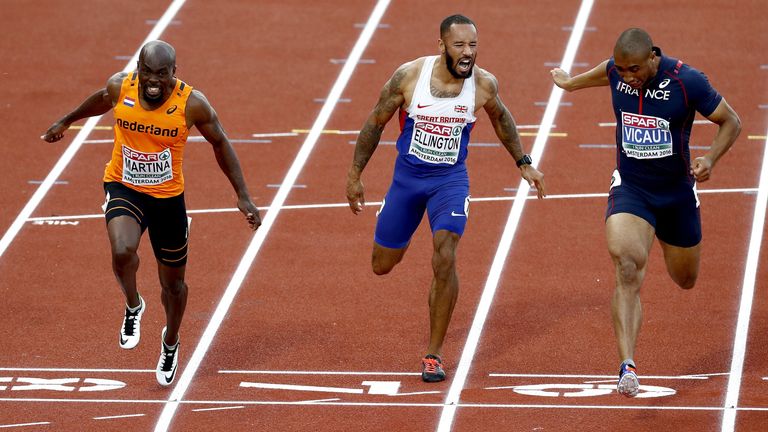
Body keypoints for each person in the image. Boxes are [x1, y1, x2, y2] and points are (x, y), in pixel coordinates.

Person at [42, 40, 261, 386]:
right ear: (139, 70)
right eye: (148, 72)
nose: (154, 80)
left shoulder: (192, 104)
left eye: (162, 74)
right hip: (123, 186)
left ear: (175, 72)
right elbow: (102, 98)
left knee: (173, 287)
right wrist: (66, 121)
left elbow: (220, 142)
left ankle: (170, 342)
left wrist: (243, 196)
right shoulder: (121, 86)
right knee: (122, 251)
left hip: (167, 200)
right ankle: (133, 306)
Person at [346, 14, 546, 383]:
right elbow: (375, 123)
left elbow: (503, 119)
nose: (468, 53)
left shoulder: (483, 85)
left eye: (473, 45)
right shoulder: (408, 77)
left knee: (446, 250)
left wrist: (524, 162)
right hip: (407, 181)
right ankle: (398, 237)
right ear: (442, 46)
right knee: (382, 264)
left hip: (450, 182)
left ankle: (433, 355)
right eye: (460, 45)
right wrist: (355, 175)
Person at [550, 28, 741, 397]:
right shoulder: (617, 73)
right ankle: (627, 366)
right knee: (626, 267)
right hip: (632, 189)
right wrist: (571, 84)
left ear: (653, 57)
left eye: (633, 69)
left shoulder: (687, 81)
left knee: (685, 279)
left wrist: (711, 158)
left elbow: (731, 121)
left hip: (676, 195)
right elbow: (605, 69)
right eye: (622, 71)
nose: (627, 77)